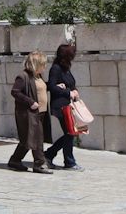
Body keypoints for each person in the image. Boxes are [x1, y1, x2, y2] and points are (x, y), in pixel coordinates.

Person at [7, 51, 52, 173]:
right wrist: (30, 102)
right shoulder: (23, 76)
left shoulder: (37, 76)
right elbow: (15, 92)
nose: (45, 67)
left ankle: (15, 160)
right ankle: (39, 164)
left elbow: (39, 87)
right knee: (37, 138)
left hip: (41, 112)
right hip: (29, 114)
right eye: (43, 64)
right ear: (35, 64)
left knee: (28, 139)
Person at [45, 40, 84, 171]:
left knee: (70, 133)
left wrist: (75, 90)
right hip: (60, 106)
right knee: (70, 133)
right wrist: (68, 92)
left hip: (69, 105)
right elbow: (51, 86)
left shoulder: (66, 68)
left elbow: (70, 84)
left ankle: (50, 154)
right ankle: (69, 162)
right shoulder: (56, 69)